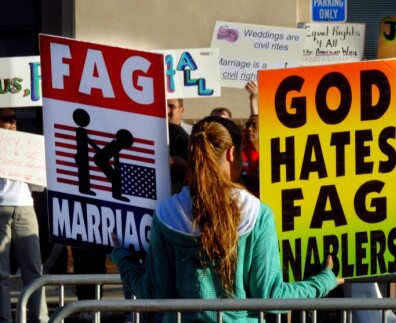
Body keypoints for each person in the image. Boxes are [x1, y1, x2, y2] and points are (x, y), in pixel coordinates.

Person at [111, 116, 342, 322]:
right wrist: (324, 280)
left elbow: (153, 293)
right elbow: (273, 297)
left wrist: (121, 256)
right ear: (232, 153)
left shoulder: (166, 214)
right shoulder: (258, 214)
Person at [0, 108, 49, 323]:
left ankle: (40, 318)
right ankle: (4, 318)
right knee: (0, 272)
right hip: (1, 206)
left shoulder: (24, 143)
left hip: (24, 205)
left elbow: (38, 184)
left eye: (14, 119)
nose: (12, 123)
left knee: (33, 268)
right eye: (6, 119)